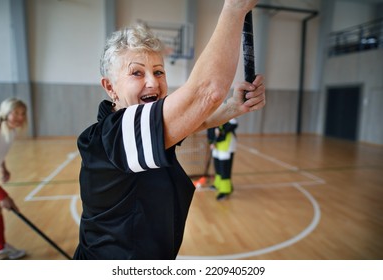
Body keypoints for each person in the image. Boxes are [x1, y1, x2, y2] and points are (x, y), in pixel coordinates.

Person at [74, 0, 265, 260]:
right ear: (110, 88)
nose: (153, 82)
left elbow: (196, 121)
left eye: (159, 71)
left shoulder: (142, 130)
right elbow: (207, 93)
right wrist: (235, 8)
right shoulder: (113, 136)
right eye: (137, 73)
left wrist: (233, 107)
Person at [0, 97, 27, 260]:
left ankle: (1, 248)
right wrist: (2, 195)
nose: (21, 117)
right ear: (6, 113)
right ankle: (1, 248)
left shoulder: (10, 130)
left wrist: (3, 168)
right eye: (16, 113)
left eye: (23, 113)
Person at [207, 118, 238, 200]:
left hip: (226, 144)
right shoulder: (212, 112)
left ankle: (226, 190)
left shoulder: (228, 109)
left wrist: (221, 130)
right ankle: (218, 184)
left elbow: (234, 123)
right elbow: (210, 127)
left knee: (224, 167)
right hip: (216, 144)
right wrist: (211, 141)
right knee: (217, 165)